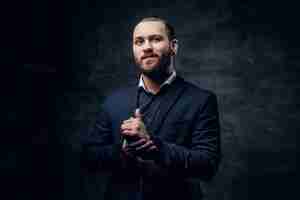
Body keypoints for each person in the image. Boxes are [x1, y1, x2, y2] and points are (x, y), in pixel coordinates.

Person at [81, 17, 221, 200]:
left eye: (155, 39)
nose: (146, 47)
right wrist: (122, 152)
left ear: (174, 46)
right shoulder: (114, 101)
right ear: (134, 49)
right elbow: (89, 158)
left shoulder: (201, 100)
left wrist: (155, 148)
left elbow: (207, 165)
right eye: (139, 41)